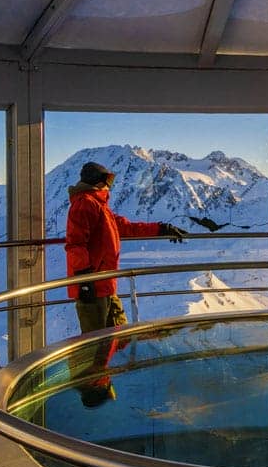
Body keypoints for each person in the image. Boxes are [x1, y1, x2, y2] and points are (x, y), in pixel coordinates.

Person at [66, 160, 187, 406]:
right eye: (108, 180)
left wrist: (160, 229)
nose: (110, 185)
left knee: (118, 333)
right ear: (98, 181)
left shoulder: (99, 205)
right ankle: (89, 388)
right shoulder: (85, 204)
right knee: (96, 342)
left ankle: (99, 380)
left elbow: (125, 227)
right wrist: (85, 278)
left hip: (105, 286)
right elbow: (75, 243)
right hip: (93, 286)